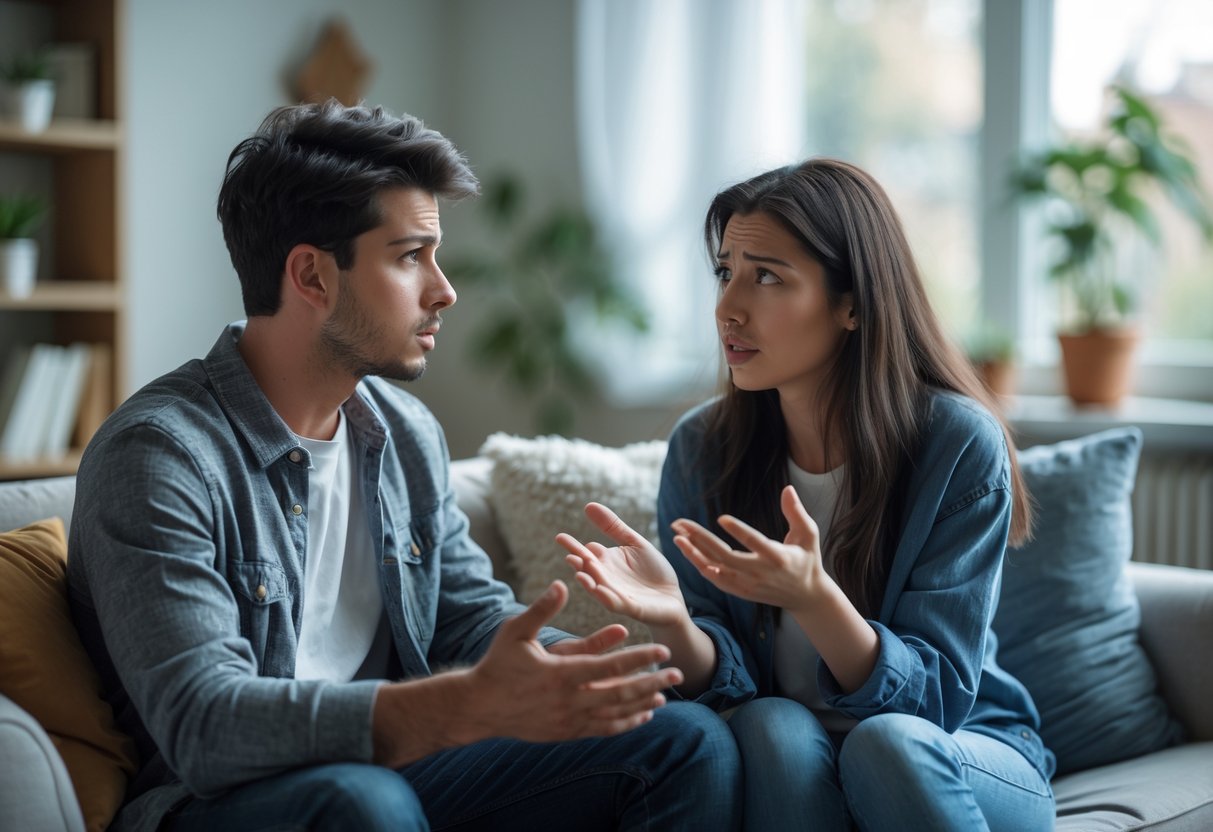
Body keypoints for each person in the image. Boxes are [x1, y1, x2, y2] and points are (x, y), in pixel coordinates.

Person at [66, 100, 741, 832]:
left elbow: (466, 620)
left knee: (682, 741)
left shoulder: (402, 433)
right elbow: (205, 726)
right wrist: (459, 706)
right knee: (363, 802)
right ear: (312, 276)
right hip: (221, 803)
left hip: (390, 770)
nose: (444, 289)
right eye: (410, 256)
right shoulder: (160, 457)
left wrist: (583, 674)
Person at [558, 159, 1057, 831]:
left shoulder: (956, 443)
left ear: (851, 303)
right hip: (802, 757)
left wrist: (814, 598)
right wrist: (673, 621)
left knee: (887, 744)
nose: (727, 307)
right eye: (725, 271)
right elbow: (724, 685)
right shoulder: (702, 448)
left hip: (961, 750)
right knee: (767, 723)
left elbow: (934, 703)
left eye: (766, 276)